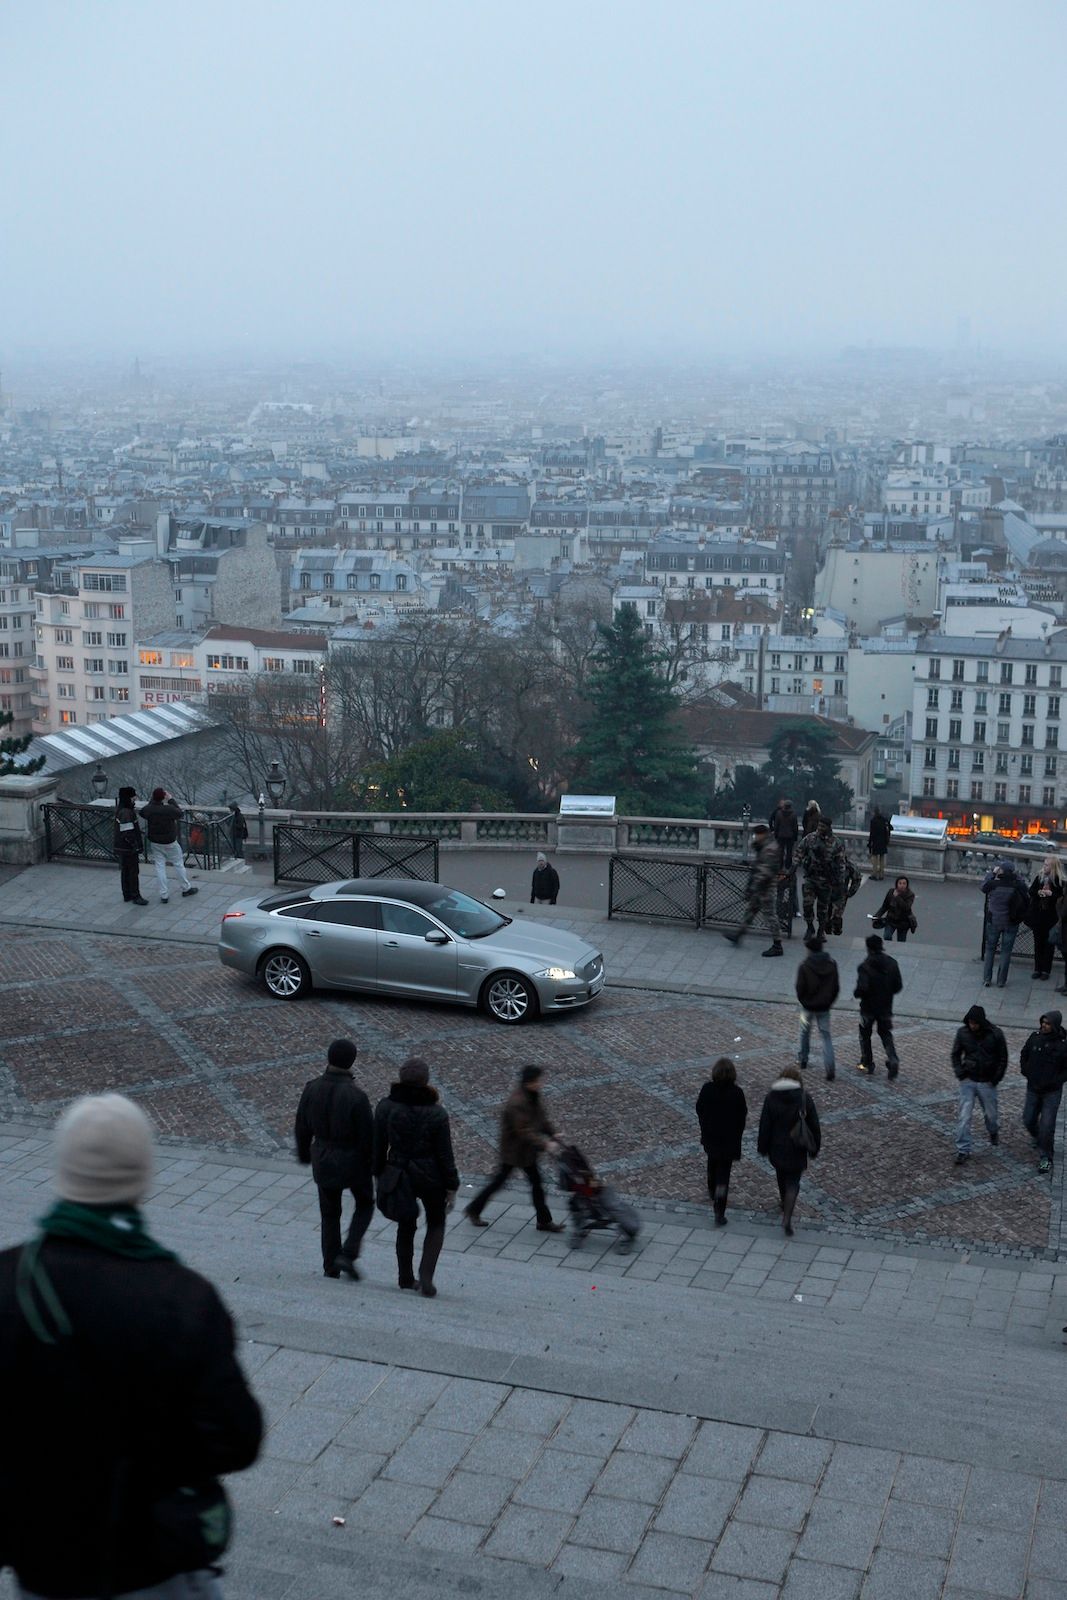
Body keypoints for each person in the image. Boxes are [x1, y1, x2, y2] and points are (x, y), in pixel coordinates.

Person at [0, 1093, 262, 1600]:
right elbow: (236, 1439)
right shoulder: (182, 1297)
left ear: (63, 1172)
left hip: (43, 1570)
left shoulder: (8, 1282)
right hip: (152, 1566)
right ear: (141, 1178)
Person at [374, 1057, 459, 1296]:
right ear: (426, 1081)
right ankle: (426, 1275)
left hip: (399, 1171)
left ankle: (405, 1278)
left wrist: (378, 1174)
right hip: (431, 1175)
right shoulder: (437, 1113)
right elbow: (445, 1154)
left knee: (405, 1224)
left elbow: (377, 1145)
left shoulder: (386, 1107)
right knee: (436, 1223)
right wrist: (452, 1185)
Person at [295, 1037, 375, 1280]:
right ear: (351, 1062)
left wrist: (304, 1153)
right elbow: (368, 1137)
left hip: (323, 1157)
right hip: (353, 1162)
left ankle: (330, 1265)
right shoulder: (356, 1097)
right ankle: (348, 1253)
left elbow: (301, 1126)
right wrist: (374, 1165)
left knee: (330, 1213)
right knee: (365, 1204)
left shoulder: (312, 1088)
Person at [465, 1065, 564, 1232]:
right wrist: (545, 1144)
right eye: (538, 1080)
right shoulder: (517, 1103)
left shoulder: (532, 1096)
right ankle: (474, 1209)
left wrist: (552, 1133)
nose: (541, 1083)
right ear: (529, 1083)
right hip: (515, 1152)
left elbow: (540, 1119)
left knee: (535, 1184)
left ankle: (544, 1221)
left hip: (525, 1152)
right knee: (500, 1182)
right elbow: (524, 1131)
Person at [757, 1064, 821, 1237]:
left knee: (781, 1175)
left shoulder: (771, 1098)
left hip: (777, 1147)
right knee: (793, 1181)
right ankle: (787, 1216)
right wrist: (815, 1148)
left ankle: (783, 1200)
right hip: (797, 1147)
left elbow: (765, 1125)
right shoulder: (804, 1098)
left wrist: (762, 1146)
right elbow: (814, 1125)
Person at [951, 1004, 1007, 1164]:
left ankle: (993, 1130)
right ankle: (963, 1149)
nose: (972, 1026)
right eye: (970, 1023)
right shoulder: (963, 1033)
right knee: (964, 1117)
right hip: (968, 1080)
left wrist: (995, 1078)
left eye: (975, 1023)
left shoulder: (996, 1034)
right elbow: (955, 1054)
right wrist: (960, 1072)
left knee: (991, 1115)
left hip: (987, 1081)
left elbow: (1003, 1058)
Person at [695, 1057, 747, 1225]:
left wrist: (705, 1125)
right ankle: (719, 1209)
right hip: (729, 1140)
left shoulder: (707, 1089)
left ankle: (712, 1188)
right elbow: (742, 1116)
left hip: (711, 1137)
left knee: (712, 1162)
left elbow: (699, 1109)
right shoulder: (737, 1093)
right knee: (724, 1175)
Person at [723, 822, 783, 956]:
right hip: (760, 886)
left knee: (770, 916)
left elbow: (765, 871)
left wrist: (753, 887)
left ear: (762, 834)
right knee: (750, 911)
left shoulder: (770, 849)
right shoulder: (765, 846)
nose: (755, 837)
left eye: (757, 835)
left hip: (766, 888)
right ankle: (739, 934)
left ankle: (778, 945)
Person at [1020, 1010, 1067, 1174]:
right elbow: (1024, 1054)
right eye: (1043, 1022)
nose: (1043, 1026)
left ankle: (1046, 1156)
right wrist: (1026, 1070)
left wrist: (1056, 1080)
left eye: (1047, 1023)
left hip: (1051, 1092)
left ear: (1054, 1025)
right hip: (1033, 1088)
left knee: (1047, 1125)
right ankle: (1039, 1138)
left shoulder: (1062, 1045)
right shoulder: (1035, 1038)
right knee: (1028, 1119)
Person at [139, 786, 198, 903]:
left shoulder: (149, 809)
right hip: (170, 841)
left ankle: (164, 895)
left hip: (155, 842)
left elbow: (142, 812)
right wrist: (170, 799)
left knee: (160, 867)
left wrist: (154, 800)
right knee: (178, 864)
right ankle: (186, 888)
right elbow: (180, 813)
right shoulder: (168, 809)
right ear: (163, 797)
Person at [854, 933, 902, 1078]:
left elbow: (862, 988)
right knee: (886, 1034)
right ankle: (892, 1058)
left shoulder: (865, 966)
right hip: (885, 1007)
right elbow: (898, 986)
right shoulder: (892, 963)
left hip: (868, 1008)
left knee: (864, 1035)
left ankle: (867, 1061)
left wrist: (857, 993)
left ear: (868, 948)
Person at [795, 933, 838, 1080]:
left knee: (804, 1032)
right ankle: (830, 1067)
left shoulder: (805, 966)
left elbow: (800, 988)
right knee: (826, 1036)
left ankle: (803, 1059)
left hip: (808, 1006)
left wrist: (803, 1001)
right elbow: (836, 987)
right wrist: (829, 1001)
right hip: (824, 1006)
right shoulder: (832, 964)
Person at [981, 861, 1028, 988]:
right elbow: (1025, 888)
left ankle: (987, 978)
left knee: (990, 950)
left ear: (1001, 871)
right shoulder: (1017, 885)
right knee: (1006, 952)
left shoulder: (993, 884)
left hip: (994, 920)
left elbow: (983, 886)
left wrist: (992, 873)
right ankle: (1001, 981)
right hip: (1011, 922)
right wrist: (1017, 875)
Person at [797, 816, 846, 940]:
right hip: (811, 877)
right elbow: (799, 852)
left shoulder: (836, 842)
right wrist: (793, 867)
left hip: (826, 881)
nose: (819, 828)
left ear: (828, 827)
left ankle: (821, 930)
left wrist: (840, 882)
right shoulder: (810, 838)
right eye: (819, 826)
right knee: (807, 904)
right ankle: (809, 927)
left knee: (823, 909)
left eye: (822, 827)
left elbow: (841, 863)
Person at [1027, 856, 1063, 980]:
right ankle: (1037, 969)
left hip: (1051, 917)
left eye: (1047, 865)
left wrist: (1051, 894)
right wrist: (1039, 893)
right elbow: (1031, 891)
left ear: (1053, 867)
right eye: (1044, 864)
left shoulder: (1059, 881)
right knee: (1038, 944)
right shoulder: (1040, 878)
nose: (1044, 866)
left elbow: (1062, 897)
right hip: (1038, 915)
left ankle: (1046, 970)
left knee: (1049, 945)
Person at [113, 784, 148, 907]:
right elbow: (128, 833)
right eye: (133, 798)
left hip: (122, 847)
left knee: (125, 871)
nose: (135, 800)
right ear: (129, 798)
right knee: (133, 871)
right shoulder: (127, 813)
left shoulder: (121, 810)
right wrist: (136, 846)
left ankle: (127, 894)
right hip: (128, 849)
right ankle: (135, 895)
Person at [873, 875, 916, 943]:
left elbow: (906, 907)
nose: (902, 885)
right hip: (891, 920)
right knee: (887, 936)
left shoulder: (910, 895)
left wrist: (897, 897)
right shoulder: (891, 892)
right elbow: (885, 906)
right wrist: (876, 916)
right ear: (897, 884)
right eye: (900, 883)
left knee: (901, 940)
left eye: (904, 883)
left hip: (903, 922)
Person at [769, 797, 799, 873]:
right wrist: (795, 836)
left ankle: (780, 866)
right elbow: (795, 827)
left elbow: (776, 825)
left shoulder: (779, 814)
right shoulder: (793, 814)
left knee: (780, 852)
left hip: (780, 835)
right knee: (789, 852)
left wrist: (776, 834)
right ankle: (788, 867)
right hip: (790, 836)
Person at [867, 806, 892, 881]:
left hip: (875, 842)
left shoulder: (873, 820)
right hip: (883, 841)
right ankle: (881, 875)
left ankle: (874, 874)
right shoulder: (884, 820)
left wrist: (869, 842)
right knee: (882, 858)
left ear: (874, 812)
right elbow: (891, 828)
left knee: (875, 859)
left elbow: (872, 833)